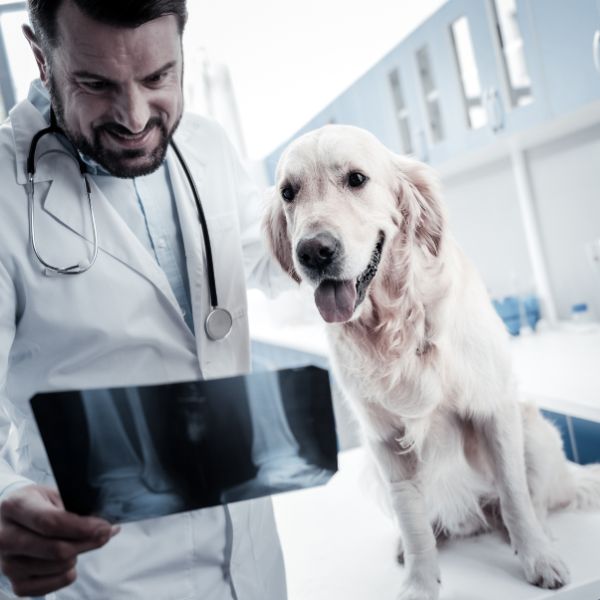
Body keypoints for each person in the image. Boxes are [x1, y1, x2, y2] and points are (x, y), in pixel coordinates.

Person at [0, 0, 291, 597]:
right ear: (39, 55)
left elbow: (259, 256)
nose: (134, 117)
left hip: (251, 563)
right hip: (101, 573)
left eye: (158, 77)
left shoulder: (206, 145)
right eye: (95, 83)